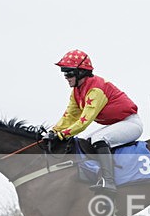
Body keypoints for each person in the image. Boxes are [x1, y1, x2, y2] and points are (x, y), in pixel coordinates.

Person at [47, 49, 143, 195]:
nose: (66, 76)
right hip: (117, 124)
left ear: (81, 72)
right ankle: (94, 175)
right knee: (85, 141)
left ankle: (109, 181)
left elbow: (84, 121)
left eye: (69, 72)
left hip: (131, 124)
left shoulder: (95, 90)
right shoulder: (77, 91)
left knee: (98, 139)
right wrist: (54, 131)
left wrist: (62, 135)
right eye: (64, 72)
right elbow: (69, 116)